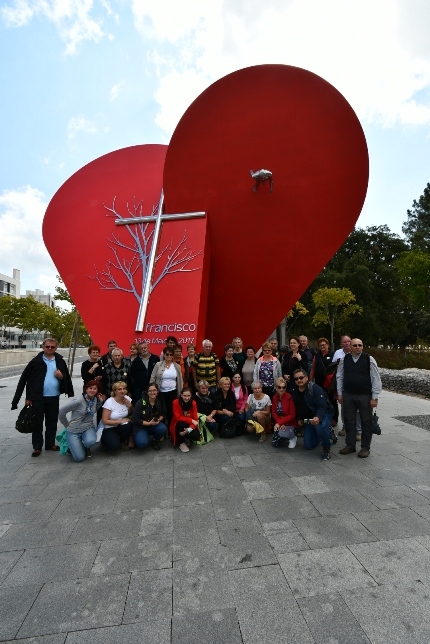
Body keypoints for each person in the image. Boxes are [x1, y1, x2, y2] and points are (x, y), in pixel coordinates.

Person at [11, 337, 74, 457]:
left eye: (52, 347)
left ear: (56, 348)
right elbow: (27, 380)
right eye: (47, 346)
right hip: (38, 398)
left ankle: (50, 444)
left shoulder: (59, 360)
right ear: (43, 347)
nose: (50, 349)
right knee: (37, 422)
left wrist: (61, 377)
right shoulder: (36, 362)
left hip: (54, 397)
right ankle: (37, 446)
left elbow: (66, 377)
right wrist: (28, 397)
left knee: (52, 421)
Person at [337, 338, 382, 459]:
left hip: (365, 395)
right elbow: (339, 376)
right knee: (349, 420)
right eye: (355, 345)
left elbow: (375, 378)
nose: (358, 347)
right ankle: (350, 445)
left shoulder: (369, 359)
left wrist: (375, 397)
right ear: (350, 346)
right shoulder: (344, 359)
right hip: (349, 394)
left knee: (366, 421)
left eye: (360, 345)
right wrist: (340, 393)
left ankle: (365, 447)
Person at [291, 368, 332, 460]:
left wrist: (318, 417)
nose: (299, 380)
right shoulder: (294, 391)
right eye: (296, 379)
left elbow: (322, 407)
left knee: (320, 426)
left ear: (306, 378)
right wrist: (298, 419)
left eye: (301, 377)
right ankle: (327, 433)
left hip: (324, 414)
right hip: (309, 419)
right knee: (308, 445)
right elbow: (295, 408)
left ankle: (326, 447)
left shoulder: (315, 388)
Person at [59, 379, 103, 461]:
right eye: (90, 388)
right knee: (79, 458)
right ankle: (71, 445)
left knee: (91, 441)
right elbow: (61, 412)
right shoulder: (78, 401)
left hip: (87, 427)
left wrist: (100, 402)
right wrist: (66, 425)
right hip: (74, 430)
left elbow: (93, 411)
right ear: (86, 389)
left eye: (95, 388)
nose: (92, 390)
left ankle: (84, 446)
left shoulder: (94, 399)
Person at [150, 346, 183, 424]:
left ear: (173, 356)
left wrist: (180, 393)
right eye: (167, 354)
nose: (169, 356)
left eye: (171, 354)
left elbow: (180, 380)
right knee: (161, 411)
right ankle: (162, 431)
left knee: (171, 412)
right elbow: (153, 377)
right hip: (160, 392)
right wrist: (152, 390)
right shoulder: (158, 365)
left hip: (173, 392)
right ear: (164, 355)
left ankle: (170, 432)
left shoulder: (177, 366)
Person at [131, 383, 167, 451]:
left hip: (154, 425)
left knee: (163, 428)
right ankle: (138, 436)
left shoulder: (160, 401)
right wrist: (148, 423)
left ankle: (155, 440)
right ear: (147, 392)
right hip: (141, 426)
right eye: (150, 391)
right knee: (142, 444)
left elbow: (164, 414)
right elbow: (135, 419)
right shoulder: (141, 402)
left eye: (154, 390)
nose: (152, 392)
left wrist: (159, 419)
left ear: (157, 391)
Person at [100, 381, 133, 451]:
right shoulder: (109, 402)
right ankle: (104, 441)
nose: (122, 391)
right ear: (115, 391)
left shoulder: (127, 399)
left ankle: (121, 441)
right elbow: (105, 421)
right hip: (109, 427)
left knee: (129, 424)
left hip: (120, 427)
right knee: (113, 447)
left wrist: (130, 406)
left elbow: (130, 413)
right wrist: (120, 421)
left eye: (124, 389)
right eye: (119, 389)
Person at [170, 387, 199, 452]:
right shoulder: (175, 402)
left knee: (196, 435)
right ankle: (181, 442)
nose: (186, 398)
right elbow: (178, 417)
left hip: (189, 424)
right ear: (181, 395)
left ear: (191, 395)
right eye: (185, 396)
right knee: (181, 424)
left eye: (188, 396)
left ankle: (186, 437)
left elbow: (195, 419)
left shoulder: (193, 403)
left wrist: (188, 430)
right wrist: (191, 420)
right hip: (178, 423)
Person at [271, 377, 297, 448]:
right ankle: (286, 436)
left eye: (284, 387)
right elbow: (273, 412)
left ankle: (292, 437)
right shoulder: (274, 397)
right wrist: (280, 423)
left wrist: (280, 423)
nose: (282, 389)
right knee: (275, 443)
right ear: (276, 388)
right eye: (279, 387)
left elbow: (292, 414)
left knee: (280, 438)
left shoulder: (289, 397)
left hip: (289, 422)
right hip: (280, 421)